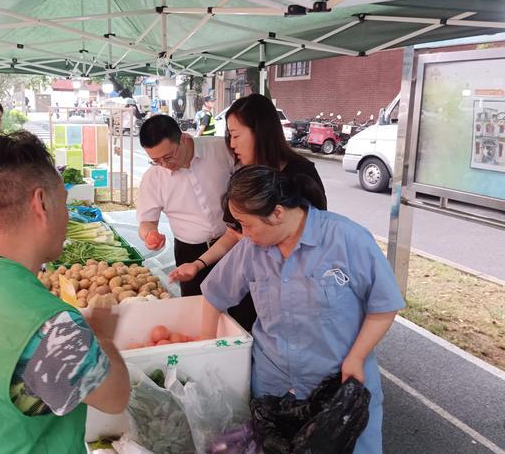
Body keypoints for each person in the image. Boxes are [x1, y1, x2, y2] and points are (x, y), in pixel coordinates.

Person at [0, 131, 130, 454]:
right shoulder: (45, 326)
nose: (66, 212)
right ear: (42, 203)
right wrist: (102, 336)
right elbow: (116, 397)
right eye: (64, 201)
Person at [200, 165, 405, 454]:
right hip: (274, 391)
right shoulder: (252, 249)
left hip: (339, 388)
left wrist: (357, 357)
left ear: (278, 213)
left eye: (246, 224)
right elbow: (214, 295)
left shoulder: (347, 239)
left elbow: (384, 306)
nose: (243, 234)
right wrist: (206, 355)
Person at [170, 93, 327, 329]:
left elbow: (315, 236)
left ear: (260, 132)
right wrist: (198, 264)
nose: (231, 145)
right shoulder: (244, 174)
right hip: (250, 290)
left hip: (289, 293)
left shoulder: (301, 176)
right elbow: (234, 233)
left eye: (235, 135)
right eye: (229, 136)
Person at [136, 114, 234, 297]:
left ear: (183, 138)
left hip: (234, 242)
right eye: (156, 161)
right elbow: (146, 222)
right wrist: (150, 235)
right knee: (195, 305)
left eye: (168, 156)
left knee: (241, 305)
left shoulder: (220, 149)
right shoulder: (153, 177)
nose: (164, 165)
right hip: (190, 252)